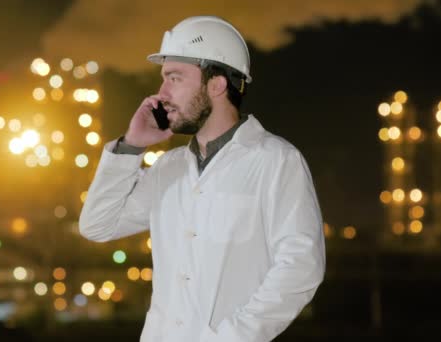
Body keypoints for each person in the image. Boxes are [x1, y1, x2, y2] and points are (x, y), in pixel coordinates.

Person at [79, 15, 325, 342]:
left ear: (217, 84)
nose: (161, 93)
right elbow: (97, 225)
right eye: (164, 79)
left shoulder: (276, 160)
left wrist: (232, 337)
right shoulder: (169, 168)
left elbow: (300, 269)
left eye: (175, 78)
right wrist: (131, 145)